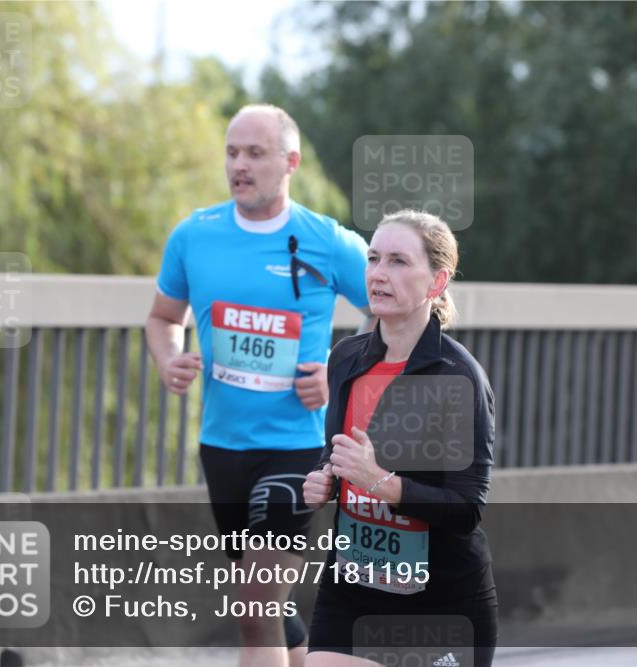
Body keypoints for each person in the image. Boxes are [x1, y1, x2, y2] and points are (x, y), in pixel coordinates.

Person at [145, 104, 374, 667]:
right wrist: (168, 359)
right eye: (231, 153)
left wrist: (338, 371)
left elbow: (393, 313)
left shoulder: (327, 241)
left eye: (254, 153)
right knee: (270, 610)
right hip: (222, 446)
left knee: (254, 608)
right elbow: (163, 317)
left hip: (298, 447)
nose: (239, 165)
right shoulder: (194, 235)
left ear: (290, 162)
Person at [303, 210, 498, 667]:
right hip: (353, 584)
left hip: (439, 600)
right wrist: (324, 476)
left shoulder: (457, 377)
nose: (378, 274)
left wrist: (380, 482)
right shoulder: (347, 357)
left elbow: (466, 509)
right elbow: (338, 449)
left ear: (436, 281)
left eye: (397, 261)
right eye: (373, 259)